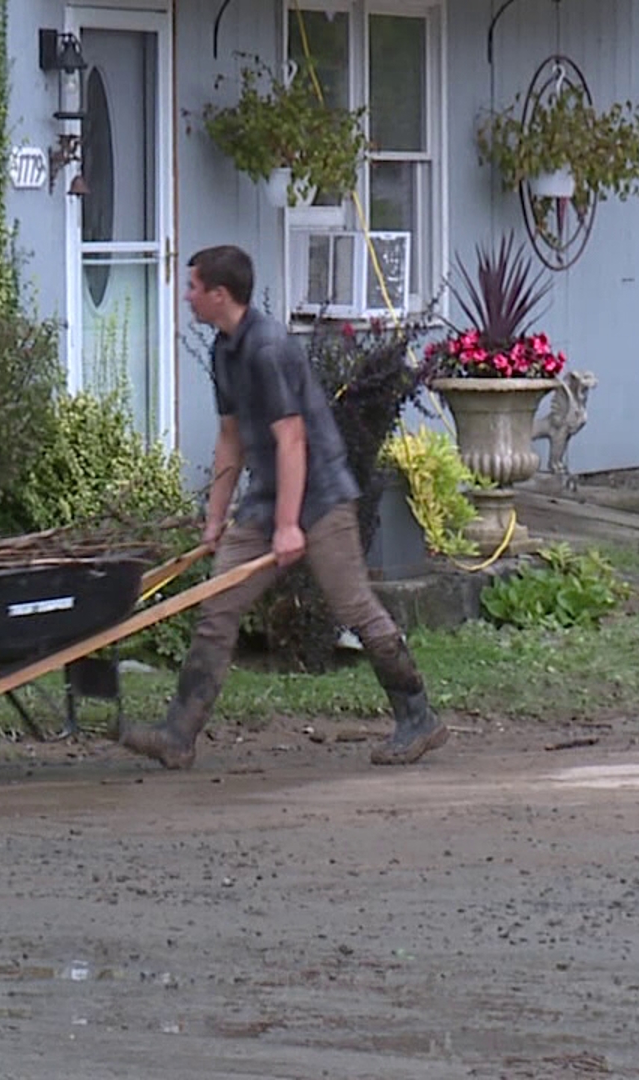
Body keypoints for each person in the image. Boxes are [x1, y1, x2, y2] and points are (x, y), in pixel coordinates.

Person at [117, 245, 448, 770]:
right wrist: (214, 518)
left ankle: (418, 718)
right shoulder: (224, 350)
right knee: (217, 608)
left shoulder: (267, 348)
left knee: (353, 606)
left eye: (193, 287)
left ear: (219, 294)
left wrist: (290, 525)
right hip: (268, 497)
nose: (186, 296)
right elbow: (230, 438)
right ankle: (177, 736)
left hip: (318, 497)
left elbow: (292, 439)